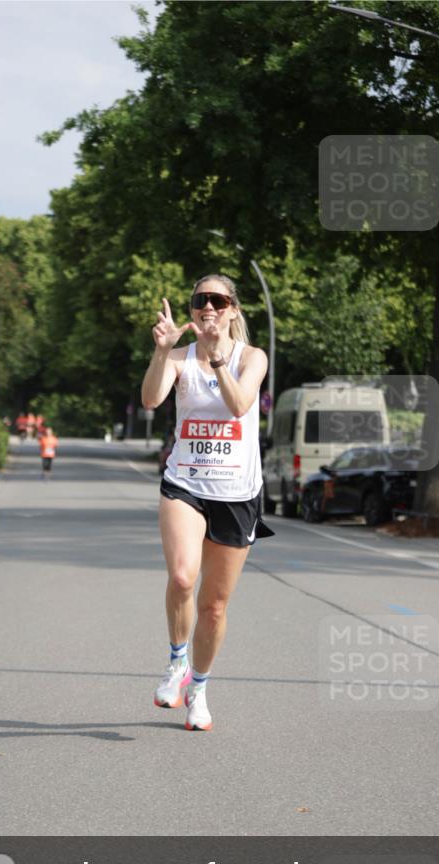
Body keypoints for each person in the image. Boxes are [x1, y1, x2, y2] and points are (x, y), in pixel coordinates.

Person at [141, 273, 274, 732]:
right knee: (182, 577)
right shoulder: (180, 358)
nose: (208, 307)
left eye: (218, 300)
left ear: (233, 309)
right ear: (193, 309)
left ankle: (198, 688)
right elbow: (151, 398)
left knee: (214, 607)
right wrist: (162, 351)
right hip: (186, 483)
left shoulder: (251, 357)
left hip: (237, 493)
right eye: (201, 300)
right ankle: (176, 662)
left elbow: (239, 405)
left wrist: (218, 360)